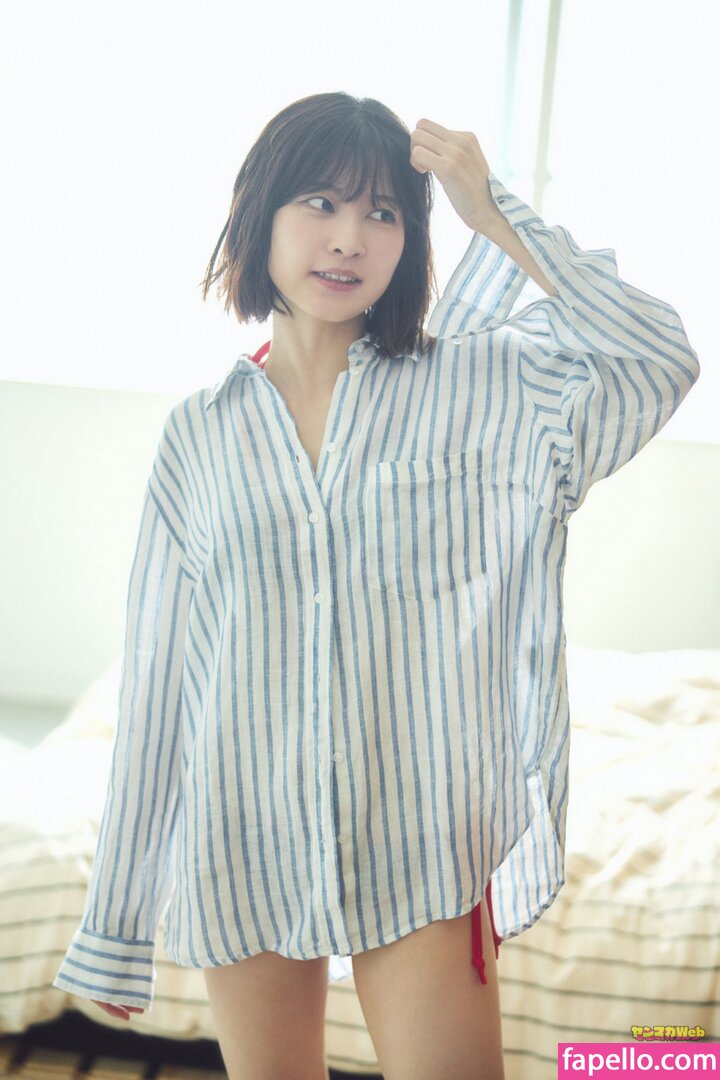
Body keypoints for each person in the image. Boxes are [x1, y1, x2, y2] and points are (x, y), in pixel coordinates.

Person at [52, 92, 700, 1080]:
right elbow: (161, 680)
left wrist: (497, 215)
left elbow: (658, 357)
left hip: (424, 842)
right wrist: (117, 922)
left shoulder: (486, 386)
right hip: (243, 837)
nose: (349, 237)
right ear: (262, 213)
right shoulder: (200, 436)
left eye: (384, 213)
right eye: (320, 202)